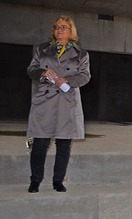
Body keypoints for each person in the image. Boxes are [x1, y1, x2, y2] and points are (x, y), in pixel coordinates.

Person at [25, 15, 91, 193]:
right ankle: (35, 180)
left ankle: (58, 181)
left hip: (67, 100)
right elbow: (31, 69)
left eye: (63, 27)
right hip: (44, 101)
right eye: (56, 27)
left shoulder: (81, 53)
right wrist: (42, 72)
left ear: (71, 32)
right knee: (39, 142)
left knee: (63, 144)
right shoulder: (42, 49)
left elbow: (85, 76)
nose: (59, 30)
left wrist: (67, 79)